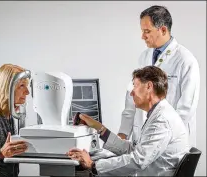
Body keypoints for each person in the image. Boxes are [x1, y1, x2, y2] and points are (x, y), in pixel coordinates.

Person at [68, 66, 190, 176]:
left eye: (135, 86)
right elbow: (134, 150)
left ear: (149, 86)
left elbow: (138, 161)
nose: (131, 93)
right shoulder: (159, 114)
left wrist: (93, 165)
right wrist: (100, 129)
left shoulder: (162, 120)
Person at [118, 5, 200, 147]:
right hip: (144, 141)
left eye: (147, 31)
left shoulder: (185, 60)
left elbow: (186, 109)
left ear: (163, 30)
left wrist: (160, 138)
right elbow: (132, 97)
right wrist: (123, 133)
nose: (142, 36)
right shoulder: (143, 58)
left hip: (170, 143)